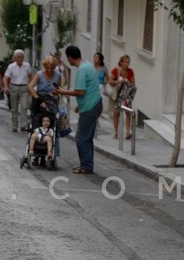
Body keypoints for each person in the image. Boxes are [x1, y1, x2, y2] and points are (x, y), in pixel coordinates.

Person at [57, 45, 102, 174]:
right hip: (94, 103)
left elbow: (80, 91)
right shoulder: (88, 65)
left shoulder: (82, 70)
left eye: (68, 58)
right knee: (87, 137)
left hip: (90, 107)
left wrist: (61, 91)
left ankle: (86, 166)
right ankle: (87, 164)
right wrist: (80, 105)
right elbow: (90, 88)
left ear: (70, 57)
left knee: (81, 138)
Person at [2, 49, 33, 132]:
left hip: (24, 88)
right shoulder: (11, 66)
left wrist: (31, 86)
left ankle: (23, 125)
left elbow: (30, 76)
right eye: (18, 57)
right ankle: (14, 126)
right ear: (15, 58)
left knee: (24, 107)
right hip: (14, 87)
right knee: (14, 108)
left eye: (22, 57)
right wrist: (6, 87)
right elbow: (6, 77)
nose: (20, 59)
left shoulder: (27, 65)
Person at [109, 54, 136, 139]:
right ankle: (116, 132)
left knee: (128, 113)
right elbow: (110, 81)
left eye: (129, 62)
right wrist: (119, 81)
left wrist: (128, 84)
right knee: (116, 113)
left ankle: (128, 132)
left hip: (126, 95)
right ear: (121, 62)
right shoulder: (116, 70)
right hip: (117, 95)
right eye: (126, 62)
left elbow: (133, 84)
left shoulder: (130, 71)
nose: (128, 64)